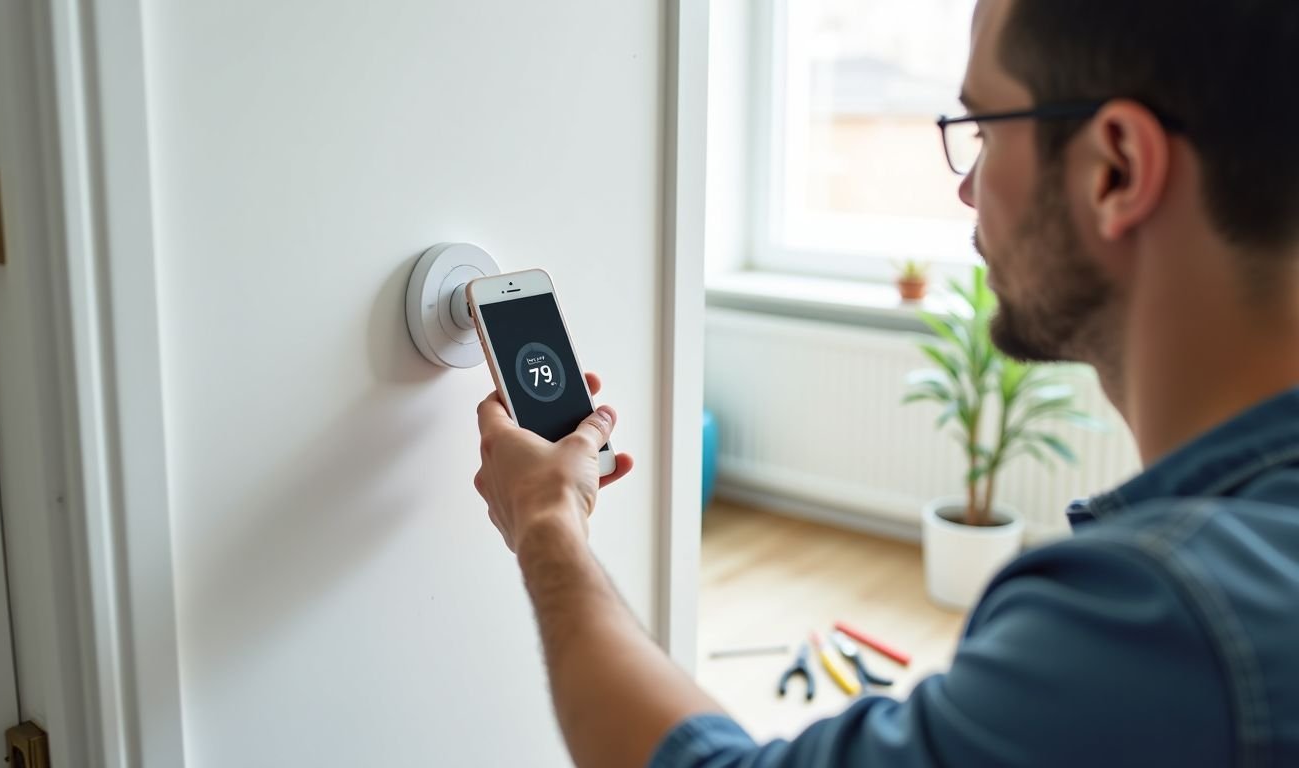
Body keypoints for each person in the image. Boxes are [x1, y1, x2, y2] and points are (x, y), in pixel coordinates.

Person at [472, 0, 1299, 764]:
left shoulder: (1163, 624)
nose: (966, 187)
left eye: (982, 130)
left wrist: (547, 520)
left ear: (1114, 169)